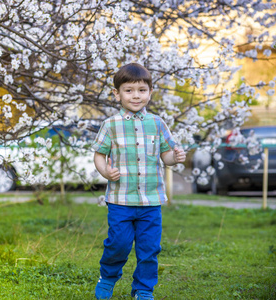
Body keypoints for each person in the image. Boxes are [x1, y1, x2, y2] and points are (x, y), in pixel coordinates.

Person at [91, 63, 186, 300]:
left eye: (142, 90)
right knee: (119, 244)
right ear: (117, 94)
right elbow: (99, 154)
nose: (136, 95)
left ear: (150, 92)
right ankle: (108, 276)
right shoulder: (110, 125)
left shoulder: (157, 123)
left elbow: (165, 155)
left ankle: (143, 289)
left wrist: (174, 157)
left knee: (149, 249)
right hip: (120, 199)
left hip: (151, 200)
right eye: (129, 90)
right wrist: (105, 172)